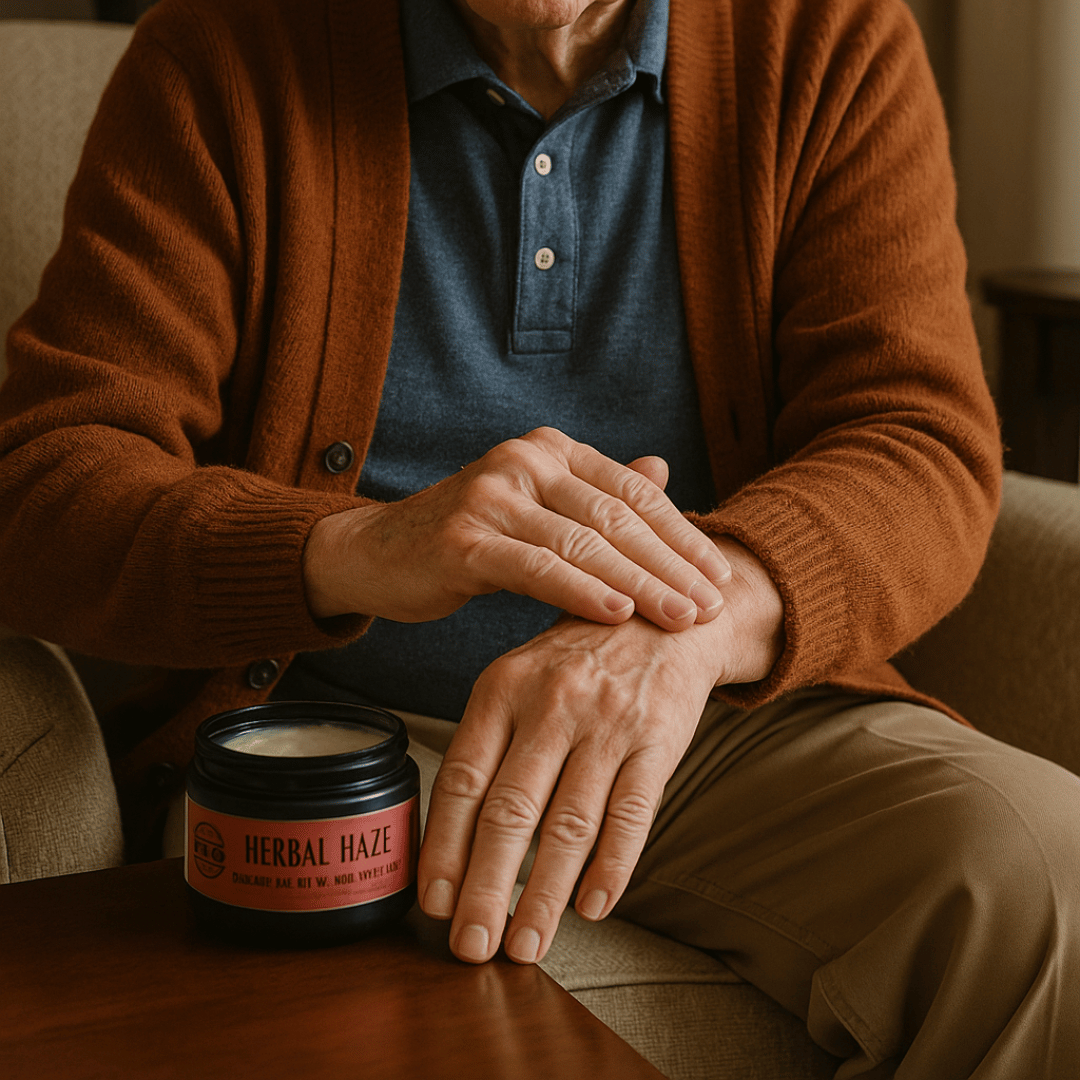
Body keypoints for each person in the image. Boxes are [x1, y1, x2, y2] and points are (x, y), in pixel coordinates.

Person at [0, 0, 1077, 1074]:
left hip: (718, 719)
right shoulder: (226, 45)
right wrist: (355, 548)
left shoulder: (826, 34)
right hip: (332, 728)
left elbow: (918, 439)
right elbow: (43, 481)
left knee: (1044, 872)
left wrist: (697, 625)